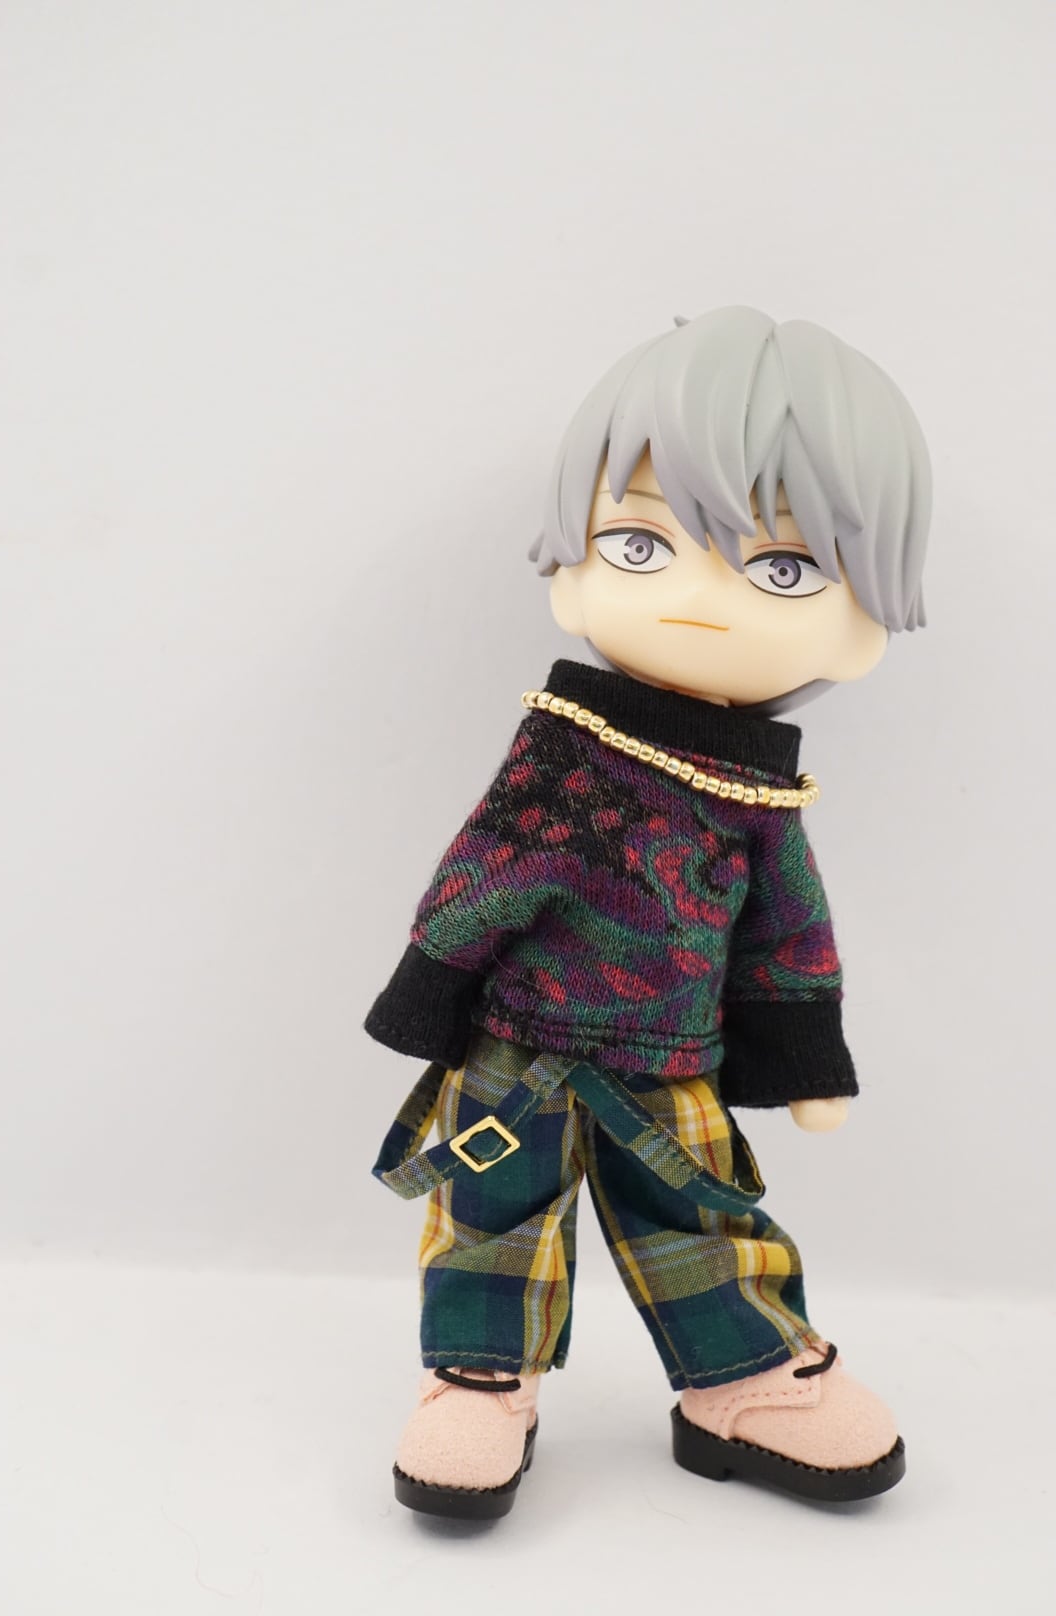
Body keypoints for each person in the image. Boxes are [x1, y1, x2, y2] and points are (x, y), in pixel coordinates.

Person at [365, 306, 932, 1518]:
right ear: (571, 567)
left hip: (673, 1060)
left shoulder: (757, 796)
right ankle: (477, 1376)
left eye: (783, 569)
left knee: (705, 1210)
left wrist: (804, 1056)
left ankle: (746, 1377)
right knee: (492, 1210)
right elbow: (488, 866)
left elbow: (788, 931)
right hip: (516, 1044)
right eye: (639, 543)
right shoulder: (560, 747)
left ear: (863, 624)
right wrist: (428, 986)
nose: (697, 595)